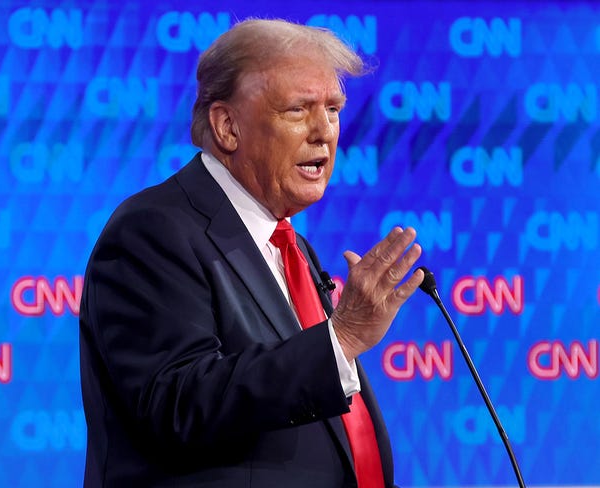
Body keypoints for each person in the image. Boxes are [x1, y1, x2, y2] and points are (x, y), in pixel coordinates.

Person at [79, 18, 424, 488]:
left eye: (334, 109)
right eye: (298, 110)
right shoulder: (154, 231)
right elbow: (178, 405)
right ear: (227, 126)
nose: (324, 132)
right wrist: (339, 340)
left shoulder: (290, 244)